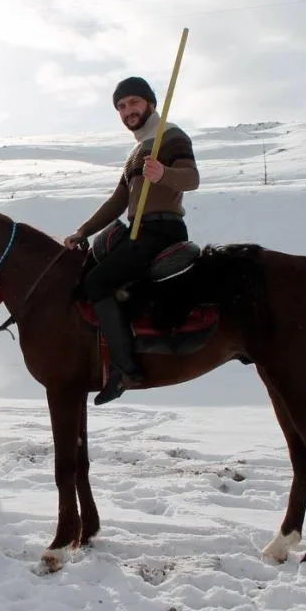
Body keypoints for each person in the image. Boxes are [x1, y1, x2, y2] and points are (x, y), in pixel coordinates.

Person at [63, 77, 200, 405]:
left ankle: (126, 370)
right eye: (121, 107)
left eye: (134, 103)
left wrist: (164, 174)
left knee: (97, 284)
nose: (128, 111)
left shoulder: (171, 137)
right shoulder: (138, 150)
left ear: (150, 104)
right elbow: (117, 201)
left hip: (162, 230)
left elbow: (192, 178)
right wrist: (83, 231)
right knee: (87, 276)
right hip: (137, 231)